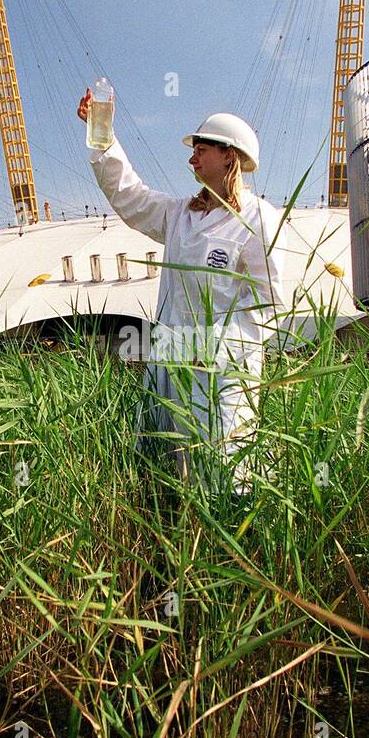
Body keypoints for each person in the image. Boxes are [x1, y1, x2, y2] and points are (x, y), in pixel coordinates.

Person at [76, 88, 291, 498]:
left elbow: (268, 300)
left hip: (223, 371)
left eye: (201, 149)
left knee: (223, 471)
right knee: (164, 466)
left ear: (230, 156)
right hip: (171, 357)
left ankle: (225, 545)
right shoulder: (179, 215)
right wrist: (102, 135)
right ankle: (170, 542)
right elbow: (129, 196)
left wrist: (216, 350)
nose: (192, 158)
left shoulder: (259, 218)